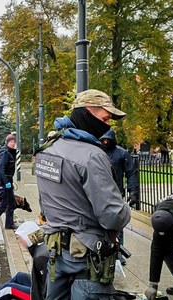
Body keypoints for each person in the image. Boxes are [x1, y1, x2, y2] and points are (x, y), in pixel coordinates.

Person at [34, 89, 130, 299]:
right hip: (88, 258)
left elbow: (45, 202)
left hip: (55, 253)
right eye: (105, 118)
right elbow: (112, 215)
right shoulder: (92, 155)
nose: (108, 125)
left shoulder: (47, 150)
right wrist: (126, 209)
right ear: (88, 112)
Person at [99, 129, 139, 265]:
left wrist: (133, 193)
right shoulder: (97, 152)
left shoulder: (121, 153)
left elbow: (131, 173)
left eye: (107, 140)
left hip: (116, 194)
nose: (105, 142)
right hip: (98, 193)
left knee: (117, 225)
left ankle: (117, 252)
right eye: (103, 140)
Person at [0, 221, 49, 300]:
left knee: (9, 289)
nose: (19, 241)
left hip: (41, 297)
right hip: (40, 289)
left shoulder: (41, 258)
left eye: (21, 238)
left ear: (29, 238)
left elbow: (50, 288)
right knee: (20, 276)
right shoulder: (40, 249)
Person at [0, 134, 17, 229]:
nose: (13, 143)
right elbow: (0, 169)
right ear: (7, 142)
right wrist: (6, 182)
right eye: (11, 142)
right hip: (3, 182)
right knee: (3, 204)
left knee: (12, 203)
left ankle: (9, 224)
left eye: (14, 142)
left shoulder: (10, 152)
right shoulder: (4, 153)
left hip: (8, 181)